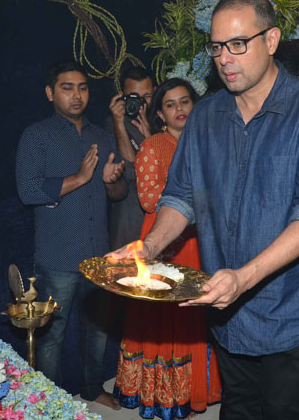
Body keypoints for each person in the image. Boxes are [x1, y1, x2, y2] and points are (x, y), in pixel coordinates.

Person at [110, 0, 299, 418]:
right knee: (237, 408)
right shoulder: (205, 116)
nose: (224, 58)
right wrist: (150, 246)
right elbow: (181, 196)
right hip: (226, 307)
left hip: (291, 309)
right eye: (217, 46)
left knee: (281, 411)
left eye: (238, 44)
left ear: (271, 40)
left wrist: (243, 277)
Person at [15, 60, 126, 410]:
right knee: (51, 338)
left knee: (99, 332)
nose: (76, 95)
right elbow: (27, 191)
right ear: (51, 93)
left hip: (99, 255)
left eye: (82, 87)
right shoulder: (36, 136)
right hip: (58, 257)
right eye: (67, 87)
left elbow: (119, 194)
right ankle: (51, 404)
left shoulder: (101, 136)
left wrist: (111, 181)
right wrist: (79, 178)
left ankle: (93, 389)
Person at [113, 78, 222, 420]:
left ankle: (193, 393)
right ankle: (165, 398)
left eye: (185, 101)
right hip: (165, 241)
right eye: (170, 104)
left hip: (201, 240)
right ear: (159, 114)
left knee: (196, 312)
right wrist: (198, 195)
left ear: (195, 105)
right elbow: (148, 200)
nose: (179, 109)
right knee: (164, 316)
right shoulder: (152, 146)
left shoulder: (209, 142)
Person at [105, 66, 156, 250]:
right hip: (128, 226)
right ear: (122, 96)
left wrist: (150, 137)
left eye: (147, 96)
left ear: (156, 92)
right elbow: (131, 173)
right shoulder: (111, 124)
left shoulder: (162, 121)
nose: (140, 103)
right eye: (134, 97)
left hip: (161, 226)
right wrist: (118, 123)